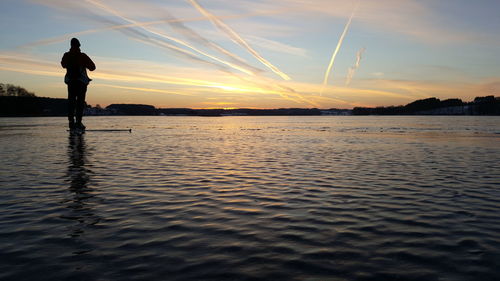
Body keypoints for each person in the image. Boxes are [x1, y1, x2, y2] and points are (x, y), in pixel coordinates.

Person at [61, 38, 96, 130]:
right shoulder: (82, 56)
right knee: (80, 103)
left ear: (71, 45)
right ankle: (79, 123)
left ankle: (71, 122)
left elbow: (63, 64)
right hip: (81, 83)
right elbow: (93, 67)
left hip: (71, 82)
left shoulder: (66, 55)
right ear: (79, 45)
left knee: (71, 102)